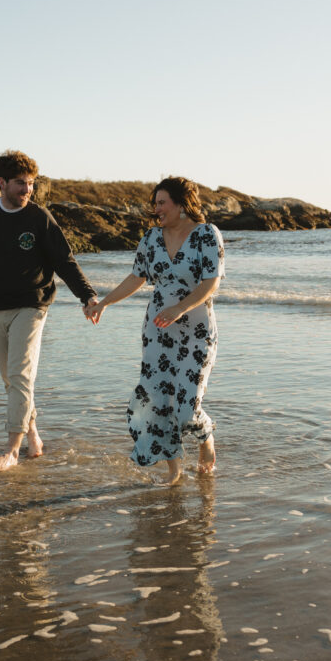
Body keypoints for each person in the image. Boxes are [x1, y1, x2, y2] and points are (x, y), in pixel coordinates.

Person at [0, 150, 98, 472]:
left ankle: (11, 451)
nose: (27, 190)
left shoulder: (39, 217)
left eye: (31, 184)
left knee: (19, 376)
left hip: (32, 305)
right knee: (11, 380)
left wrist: (87, 296)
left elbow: (64, 261)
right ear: (1, 183)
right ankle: (33, 435)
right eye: (20, 184)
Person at [87, 176, 224, 486]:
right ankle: (174, 471)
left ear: (181, 204)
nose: (156, 208)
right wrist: (104, 303)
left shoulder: (206, 235)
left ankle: (206, 439)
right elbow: (136, 278)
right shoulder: (151, 238)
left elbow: (210, 282)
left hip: (196, 332)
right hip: (158, 332)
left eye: (162, 202)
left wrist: (180, 308)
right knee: (158, 400)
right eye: (155, 202)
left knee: (187, 407)